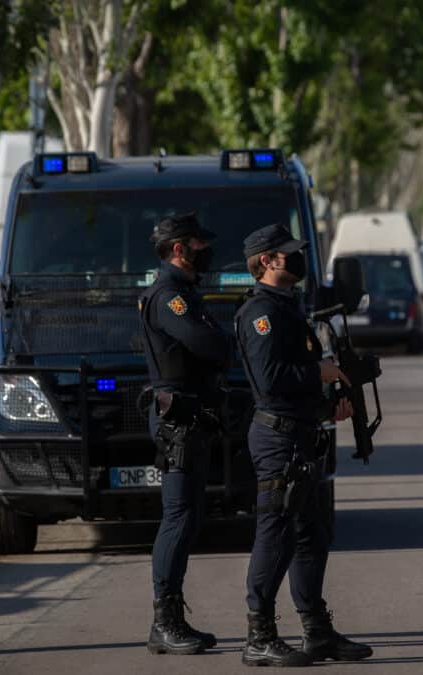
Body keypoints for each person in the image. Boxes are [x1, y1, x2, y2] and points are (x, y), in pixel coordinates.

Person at [234, 223, 374, 667]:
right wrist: (322, 372)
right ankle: (260, 635)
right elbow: (271, 380)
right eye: (288, 253)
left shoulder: (288, 308)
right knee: (274, 534)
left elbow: (297, 374)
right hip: (277, 439)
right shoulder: (262, 314)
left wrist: (328, 402)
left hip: (300, 433)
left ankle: (317, 632)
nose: (297, 259)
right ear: (268, 261)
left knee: (311, 536)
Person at [138, 212, 233, 655]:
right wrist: (220, 339)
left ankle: (171, 620)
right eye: (198, 244)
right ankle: (165, 622)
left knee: (188, 516)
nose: (205, 251)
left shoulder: (182, 293)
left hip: (191, 417)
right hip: (178, 421)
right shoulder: (169, 297)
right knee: (177, 518)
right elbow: (210, 344)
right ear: (179, 249)